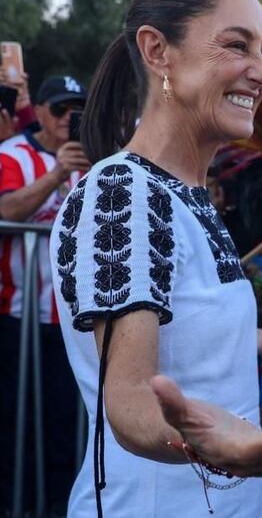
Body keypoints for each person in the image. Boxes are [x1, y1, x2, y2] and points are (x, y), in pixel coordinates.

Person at [50, 0, 262, 518]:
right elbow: (127, 401)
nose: (261, 72)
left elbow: (182, 341)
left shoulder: (184, 193)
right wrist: (211, 444)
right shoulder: (122, 191)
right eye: (236, 46)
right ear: (158, 52)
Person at [0, 73, 90, 515]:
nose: (68, 118)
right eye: (59, 109)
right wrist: (58, 172)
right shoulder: (12, 154)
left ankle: (59, 507)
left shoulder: (93, 164)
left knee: (66, 421)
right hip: (17, 317)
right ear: (38, 112)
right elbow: (6, 208)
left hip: (73, 321)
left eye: (77, 110)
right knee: (17, 422)